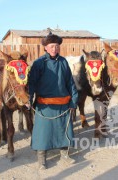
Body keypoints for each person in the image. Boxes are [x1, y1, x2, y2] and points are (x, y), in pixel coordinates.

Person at [28, 32, 78, 170]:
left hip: (63, 104)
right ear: (45, 47)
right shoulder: (39, 63)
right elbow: (31, 83)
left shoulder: (63, 62)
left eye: (56, 46)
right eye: (51, 46)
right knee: (42, 133)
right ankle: (42, 159)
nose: (54, 48)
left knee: (64, 131)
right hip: (45, 106)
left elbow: (70, 82)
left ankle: (65, 155)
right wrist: (29, 98)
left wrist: (74, 100)